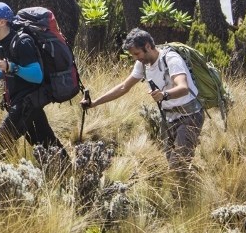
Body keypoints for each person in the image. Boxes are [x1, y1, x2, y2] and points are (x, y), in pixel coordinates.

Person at [83, 28, 204, 172]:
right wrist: (95, 103)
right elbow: (123, 87)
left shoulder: (171, 59)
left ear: (147, 46)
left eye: (137, 53)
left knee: (178, 165)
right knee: (173, 163)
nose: (135, 58)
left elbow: (183, 87)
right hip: (168, 118)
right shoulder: (142, 64)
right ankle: (188, 188)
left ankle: (190, 192)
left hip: (189, 116)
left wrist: (164, 95)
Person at [0, 2, 69, 163]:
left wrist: (12, 67)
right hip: (24, 103)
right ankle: (72, 174)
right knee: (46, 145)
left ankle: (3, 183)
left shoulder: (22, 42)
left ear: (1, 22)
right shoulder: (1, 42)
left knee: (2, 140)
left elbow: (37, 75)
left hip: (27, 103)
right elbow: (5, 70)